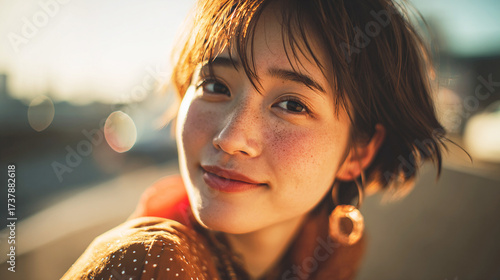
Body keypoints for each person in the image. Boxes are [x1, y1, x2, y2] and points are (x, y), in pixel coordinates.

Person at [62, 0, 448, 279]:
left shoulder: (328, 251)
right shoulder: (152, 265)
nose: (231, 139)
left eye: (292, 105)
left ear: (359, 152)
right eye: (214, 85)